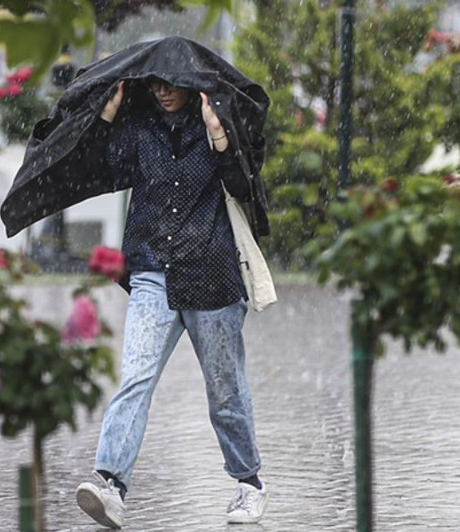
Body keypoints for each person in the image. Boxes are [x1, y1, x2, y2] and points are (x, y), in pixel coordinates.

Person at [72, 77, 267, 529]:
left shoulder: (216, 127)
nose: (162, 92)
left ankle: (249, 482)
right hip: (152, 272)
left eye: (171, 85)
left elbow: (244, 185)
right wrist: (107, 113)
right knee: (136, 375)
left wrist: (218, 133)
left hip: (213, 275)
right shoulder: (139, 129)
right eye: (155, 84)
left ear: (191, 85)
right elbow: (99, 169)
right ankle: (110, 483)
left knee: (225, 390)